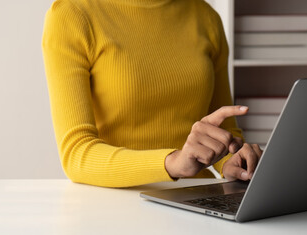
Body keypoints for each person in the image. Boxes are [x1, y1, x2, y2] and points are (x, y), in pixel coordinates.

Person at [41, 0, 263, 188]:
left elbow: (222, 129)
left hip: (196, 199)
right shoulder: (73, 15)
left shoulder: (205, 17)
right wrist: (171, 162)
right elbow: (76, 152)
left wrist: (234, 160)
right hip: (113, 205)